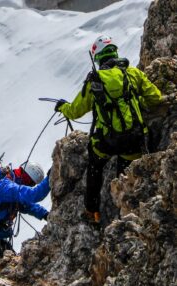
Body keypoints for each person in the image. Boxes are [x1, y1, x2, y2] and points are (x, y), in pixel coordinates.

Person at [55, 35, 162, 223]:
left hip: (107, 143)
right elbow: (155, 97)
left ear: (98, 58)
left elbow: (75, 111)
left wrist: (62, 106)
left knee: (95, 165)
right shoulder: (132, 74)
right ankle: (131, 213)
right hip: (135, 140)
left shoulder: (95, 80)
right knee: (126, 168)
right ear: (115, 52)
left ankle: (92, 213)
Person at [0, 161, 50, 268]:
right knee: (7, 274)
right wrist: (50, 178)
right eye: (31, 184)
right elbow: (34, 195)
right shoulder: (7, 187)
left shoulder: (7, 182)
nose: (31, 186)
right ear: (28, 179)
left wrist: (44, 214)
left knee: (7, 273)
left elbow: (25, 205)